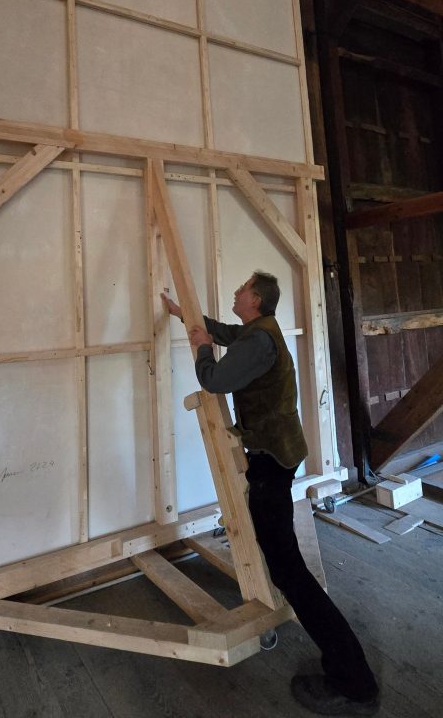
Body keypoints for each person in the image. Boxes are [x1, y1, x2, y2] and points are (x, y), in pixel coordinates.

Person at [162, 272, 379, 716]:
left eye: (242, 289)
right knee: (285, 564)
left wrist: (201, 347)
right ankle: (346, 668)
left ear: (256, 300)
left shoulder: (259, 341)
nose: (236, 291)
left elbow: (214, 379)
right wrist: (188, 317)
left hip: (271, 463)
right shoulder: (259, 331)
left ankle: (354, 682)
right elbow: (227, 333)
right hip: (277, 455)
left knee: (291, 571)